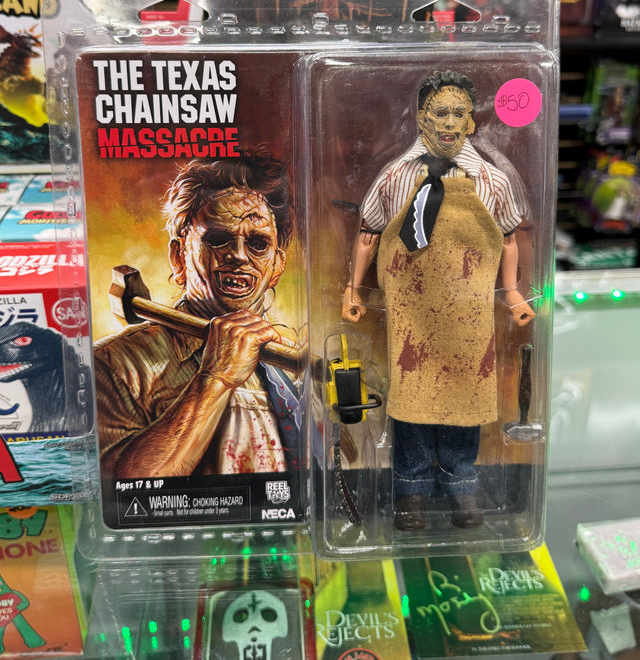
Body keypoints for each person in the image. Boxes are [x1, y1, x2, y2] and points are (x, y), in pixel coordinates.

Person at [341, 70, 534, 530]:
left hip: (470, 312)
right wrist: (353, 288)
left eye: (458, 114)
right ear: (420, 117)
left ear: (471, 122)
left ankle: (461, 484)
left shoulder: (490, 180)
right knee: (411, 400)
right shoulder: (396, 177)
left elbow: (508, 239)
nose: (449, 123)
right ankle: (410, 490)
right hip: (411, 312)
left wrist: (512, 293)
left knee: (466, 398)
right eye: (439, 112)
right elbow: (369, 234)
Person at [95, 149, 301, 479]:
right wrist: (216, 378)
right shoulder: (116, 365)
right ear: (179, 257)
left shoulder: (295, 368)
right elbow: (123, 491)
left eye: (258, 244)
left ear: (277, 265)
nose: (239, 255)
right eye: (218, 239)